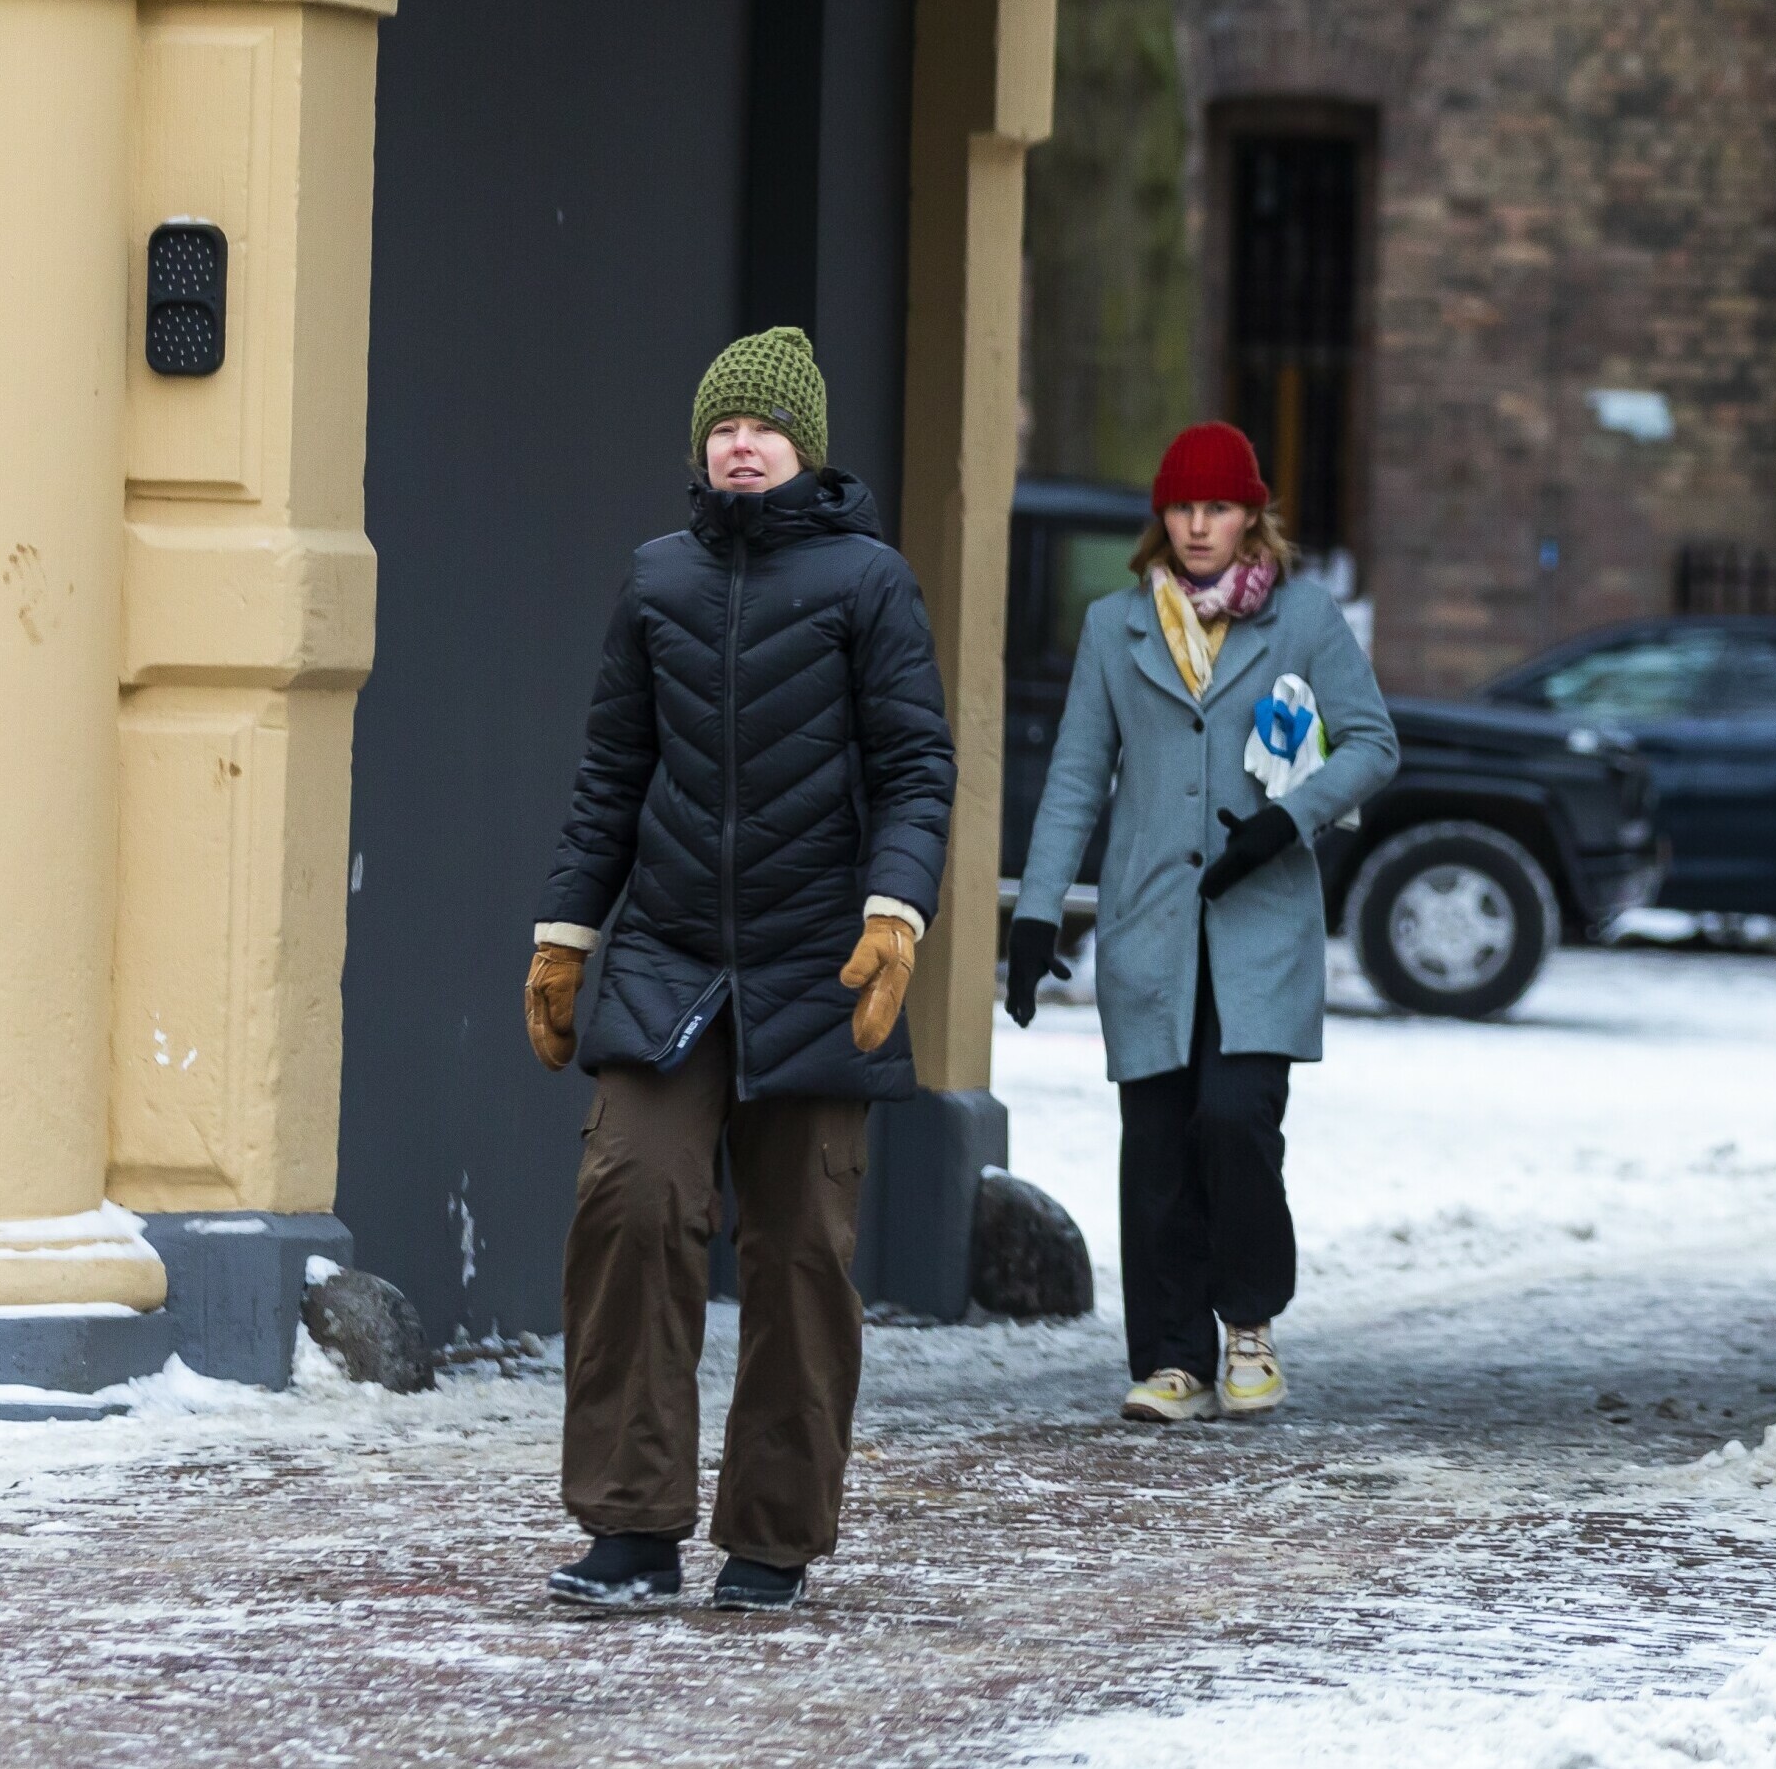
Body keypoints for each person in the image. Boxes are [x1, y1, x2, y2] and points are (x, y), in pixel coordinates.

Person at [519, 326, 956, 1615]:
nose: (743, 443)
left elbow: (917, 767)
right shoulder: (656, 579)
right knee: (632, 1204)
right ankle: (629, 1529)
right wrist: (565, 935)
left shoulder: (870, 582)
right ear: (704, 447)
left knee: (800, 1256)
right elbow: (611, 773)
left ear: (803, 447)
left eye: (765, 427)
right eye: (724, 427)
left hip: (818, 960)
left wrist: (896, 914)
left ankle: (771, 1539)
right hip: (666, 956)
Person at [1008, 421, 1397, 1424]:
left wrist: (1285, 821)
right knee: (1157, 1145)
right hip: (1149, 925)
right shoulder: (1114, 627)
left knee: (1234, 1122)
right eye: (1181, 508)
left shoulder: (1304, 621)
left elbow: (1371, 744)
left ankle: (1250, 1321)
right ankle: (1171, 1360)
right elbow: (1076, 781)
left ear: (1250, 515)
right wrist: (1035, 914)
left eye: (1216, 508)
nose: (1197, 526)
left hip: (1262, 925)